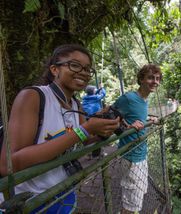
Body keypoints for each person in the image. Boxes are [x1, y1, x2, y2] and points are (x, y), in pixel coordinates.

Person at [0, 44, 120, 213]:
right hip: (29, 202)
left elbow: (84, 140)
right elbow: (7, 165)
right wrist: (84, 129)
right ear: (55, 69)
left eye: (87, 69)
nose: (84, 72)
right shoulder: (33, 96)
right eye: (75, 65)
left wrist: (103, 132)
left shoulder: (75, 104)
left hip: (63, 193)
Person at [113, 64, 162, 214]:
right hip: (132, 157)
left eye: (158, 79)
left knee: (137, 195)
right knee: (131, 203)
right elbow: (109, 118)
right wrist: (127, 126)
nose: (155, 82)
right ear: (141, 79)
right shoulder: (129, 98)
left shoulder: (144, 100)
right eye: (150, 78)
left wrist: (148, 119)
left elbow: (134, 117)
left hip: (140, 154)